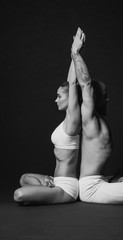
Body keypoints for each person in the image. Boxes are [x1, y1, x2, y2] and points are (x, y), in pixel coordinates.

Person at [71, 27, 123, 204]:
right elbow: (86, 84)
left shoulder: (98, 120)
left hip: (99, 180)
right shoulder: (89, 119)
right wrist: (75, 52)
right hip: (90, 188)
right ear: (94, 98)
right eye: (105, 96)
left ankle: (110, 180)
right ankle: (110, 182)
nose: (109, 99)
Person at [13, 28, 85, 205]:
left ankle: (48, 190)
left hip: (67, 188)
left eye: (60, 96)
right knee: (24, 178)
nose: (55, 100)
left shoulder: (73, 120)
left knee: (19, 195)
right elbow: (70, 83)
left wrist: (74, 52)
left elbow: (73, 83)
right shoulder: (65, 122)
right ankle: (47, 185)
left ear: (71, 99)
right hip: (56, 179)